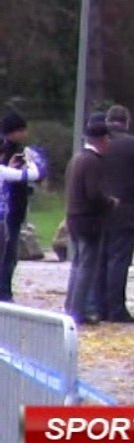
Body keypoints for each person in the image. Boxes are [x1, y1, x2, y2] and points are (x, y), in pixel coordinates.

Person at [98, 105, 134, 323]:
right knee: (119, 260)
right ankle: (116, 308)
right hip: (126, 209)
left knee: (101, 259)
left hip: (99, 209)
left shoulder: (98, 144)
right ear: (126, 122)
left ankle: (99, 306)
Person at [64, 115, 117, 325]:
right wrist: (110, 202)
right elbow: (93, 194)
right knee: (87, 267)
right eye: (108, 139)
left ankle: (71, 306)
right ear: (102, 139)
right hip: (88, 220)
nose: (109, 143)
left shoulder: (77, 158)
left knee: (77, 264)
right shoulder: (92, 162)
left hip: (73, 217)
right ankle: (77, 311)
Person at [0, 111, 35, 301]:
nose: (24, 134)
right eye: (21, 130)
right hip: (9, 210)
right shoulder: (10, 151)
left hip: (13, 208)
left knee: (9, 252)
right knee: (8, 253)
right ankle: (4, 291)